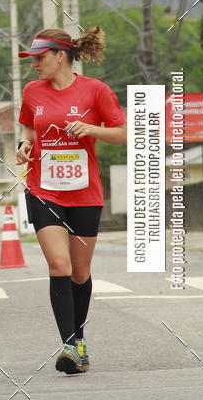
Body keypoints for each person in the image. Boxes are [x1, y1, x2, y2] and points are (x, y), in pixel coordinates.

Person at [16, 27, 127, 375]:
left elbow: (123, 133)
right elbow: (28, 129)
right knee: (58, 266)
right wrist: (24, 145)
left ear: (59, 56)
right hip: (42, 189)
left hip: (84, 192)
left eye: (39, 58)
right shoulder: (32, 92)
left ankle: (78, 340)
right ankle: (67, 345)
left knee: (79, 273)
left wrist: (91, 129)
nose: (35, 64)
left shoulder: (95, 91)